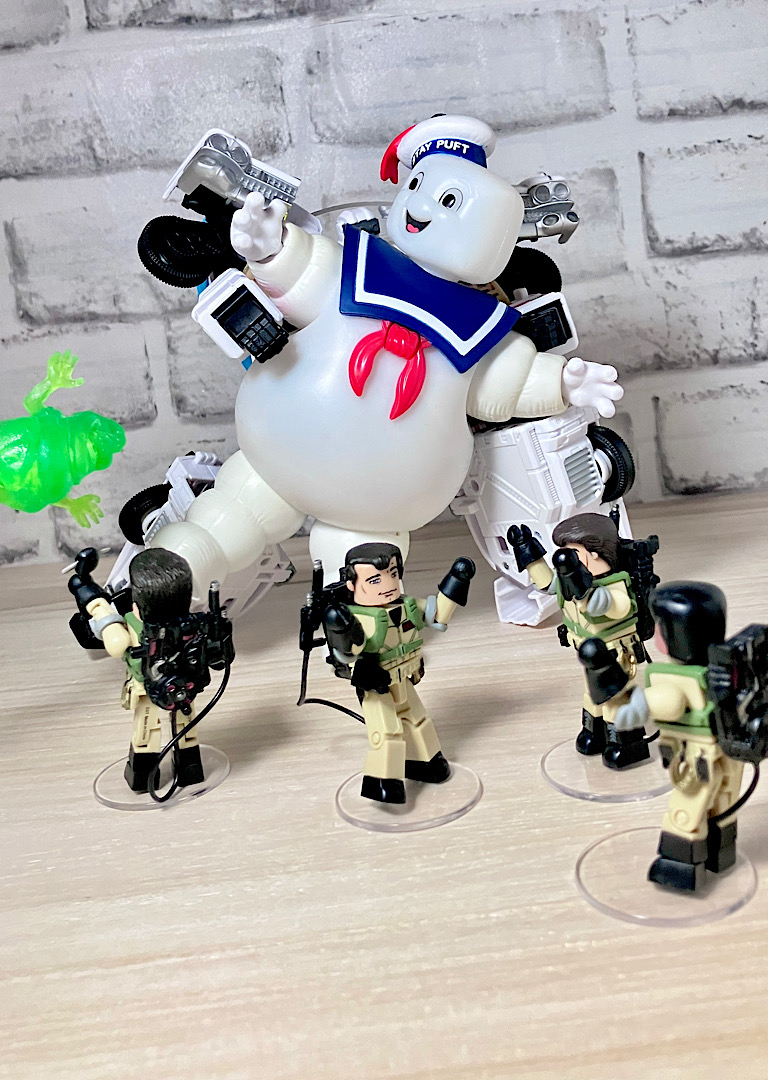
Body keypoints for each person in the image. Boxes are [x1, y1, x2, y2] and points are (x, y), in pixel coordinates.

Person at [322, 542, 474, 804]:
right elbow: (349, 652)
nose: (388, 584)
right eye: (374, 579)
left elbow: (438, 614)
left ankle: (425, 763)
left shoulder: (406, 606)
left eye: (392, 574)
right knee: (387, 731)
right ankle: (382, 780)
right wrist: (342, 629)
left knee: (417, 720)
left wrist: (456, 581)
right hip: (377, 684)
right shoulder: (357, 619)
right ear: (352, 585)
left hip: (404, 677)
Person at [508, 513, 650, 769]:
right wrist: (528, 553)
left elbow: (616, 606)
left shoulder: (615, 585)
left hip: (615, 653)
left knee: (616, 698)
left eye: (573, 553)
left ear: (594, 555)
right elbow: (548, 584)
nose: (565, 558)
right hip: (589, 653)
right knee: (591, 695)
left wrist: (587, 592)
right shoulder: (570, 583)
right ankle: (594, 732)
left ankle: (625, 743)